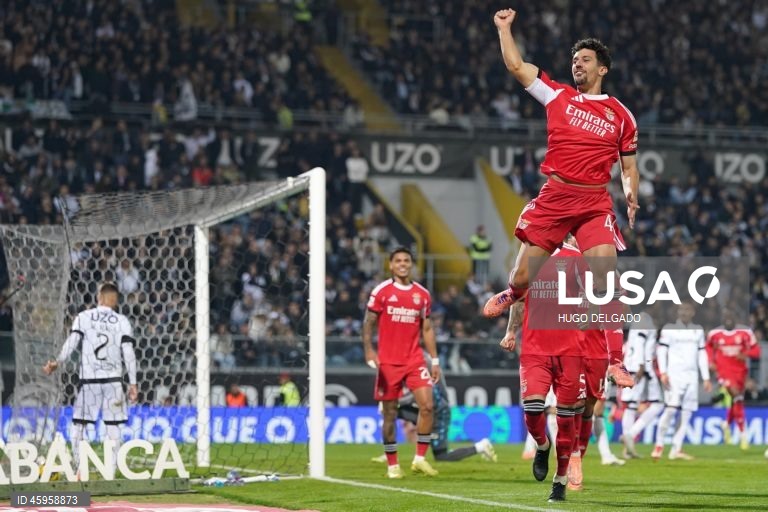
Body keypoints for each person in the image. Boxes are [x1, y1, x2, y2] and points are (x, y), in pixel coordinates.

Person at [486, 9, 640, 389]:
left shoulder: (621, 115)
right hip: (556, 196)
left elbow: (629, 165)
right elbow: (516, 65)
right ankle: (513, 293)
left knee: (607, 280)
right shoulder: (557, 95)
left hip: (593, 202)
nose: (577, 64)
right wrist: (504, 29)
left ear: (602, 68)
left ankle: (616, 362)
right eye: (574, 60)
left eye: (585, 60)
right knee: (523, 276)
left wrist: (631, 195)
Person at [499, 239, 585, 503]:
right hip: (535, 349)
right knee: (533, 408)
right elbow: (518, 295)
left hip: (570, 350)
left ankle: (559, 480)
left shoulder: (579, 258)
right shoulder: (531, 254)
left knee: (566, 419)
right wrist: (511, 330)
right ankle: (542, 444)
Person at [43, 282, 137, 479]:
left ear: (99, 298)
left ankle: (79, 467)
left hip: (90, 381)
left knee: (79, 425)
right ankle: (110, 473)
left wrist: (57, 362)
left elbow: (72, 342)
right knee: (113, 427)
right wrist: (133, 383)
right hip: (113, 380)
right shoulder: (122, 321)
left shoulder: (84, 317)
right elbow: (128, 353)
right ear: (115, 301)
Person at [362, 247, 441, 479]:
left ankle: (419, 459)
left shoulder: (422, 294)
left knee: (427, 406)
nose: (403, 264)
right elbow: (368, 322)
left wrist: (434, 360)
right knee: (389, 414)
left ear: (411, 264)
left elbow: (427, 328)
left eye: (407, 260)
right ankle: (393, 465)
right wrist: (369, 350)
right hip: (388, 362)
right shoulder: (382, 291)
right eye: (398, 260)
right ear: (391, 265)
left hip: (414, 359)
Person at [377, 351, 497, 463]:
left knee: (441, 456)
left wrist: (395, 401)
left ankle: (481, 446)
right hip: (424, 410)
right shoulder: (411, 358)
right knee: (389, 411)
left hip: (439, 413)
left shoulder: (422, 360)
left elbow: (425, 392)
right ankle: (389, 452)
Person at [651, 302, 711, 460]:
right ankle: (659, 444)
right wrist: (663, 372)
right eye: (681, 309)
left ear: (693, 312)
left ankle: (676, 448)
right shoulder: (669, 329)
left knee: (686, 413)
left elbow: (702, 355)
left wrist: (705, 377)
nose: (684, 312)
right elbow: (661, 352)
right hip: (674, 375)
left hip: (692, 377)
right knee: (671, 409)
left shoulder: (697, 330)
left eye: (687, 309)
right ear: (677, 312)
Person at [706, 310, 760, 449]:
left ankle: (726, 424)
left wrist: (745, 354)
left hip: (740, 372)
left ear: (736, 318)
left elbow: (756, 351)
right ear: (722, 319)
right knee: (736, 396)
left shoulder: (745, 333)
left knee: (737, 401)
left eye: (731, 316)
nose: (728, 319)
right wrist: (710, 361)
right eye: (725, 317)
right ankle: (743, 435)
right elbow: (707, 348)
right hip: (724, 372)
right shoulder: (714, 334)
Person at [622, 312, 665, 458]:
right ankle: (630, 435)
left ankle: (628, 447)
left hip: (636, 366)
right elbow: (640, 342)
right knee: (657, 403)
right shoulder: (644, 319)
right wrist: (640, 365)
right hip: (641, 367)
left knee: (632, 406)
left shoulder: (640, 318)